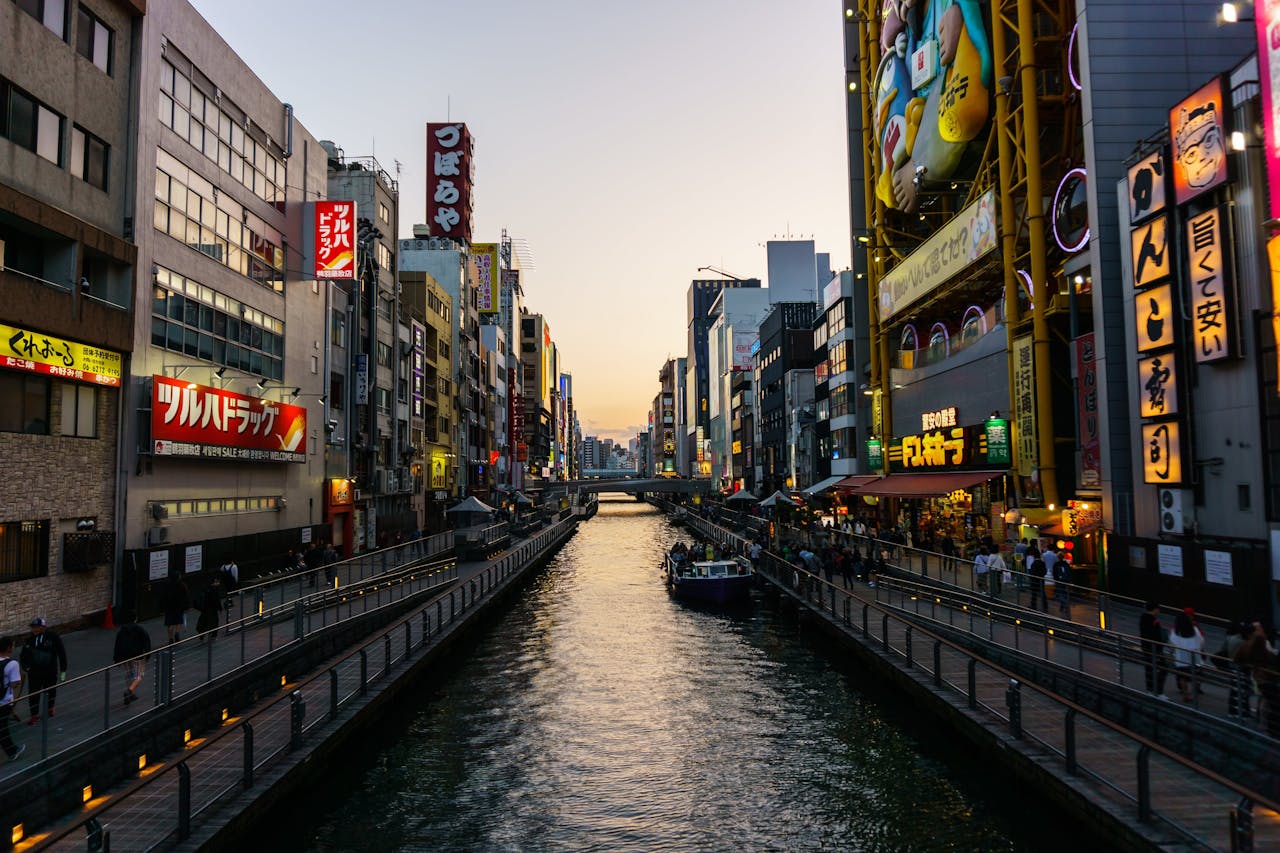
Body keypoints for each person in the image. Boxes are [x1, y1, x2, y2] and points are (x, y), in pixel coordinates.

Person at [1234, 622, 1280, 736]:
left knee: (1267, 701)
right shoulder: (1266, 652)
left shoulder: (1246, 647)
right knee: (1271, 703)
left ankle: (1265, 725)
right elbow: (1275, 664)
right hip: (1268, 680)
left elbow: (1237, 659)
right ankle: (1268, 727)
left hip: (1258, 679)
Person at [20, 617, 67, 723]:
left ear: (44, 627)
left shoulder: (53, 637)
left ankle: (50, 708)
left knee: (51, 690)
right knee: (33, 694)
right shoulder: (29, 640)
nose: (34, 630)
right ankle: (34, 715)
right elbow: (23, 656)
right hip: (34, 672)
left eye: (37, 627)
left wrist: (63, 670)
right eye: (33, 627)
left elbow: (61, 653)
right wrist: (26, 667)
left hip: (50, 671)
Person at [112, 618, 152, 706]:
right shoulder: (140, 629)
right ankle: (129, 691)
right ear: (135, 619)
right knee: (139, 675)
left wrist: (117, 659)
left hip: (125, 656)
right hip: (137, 655)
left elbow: (117, 645)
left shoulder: (121, 631)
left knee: (129, 673)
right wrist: (148, 654)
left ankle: (130, 693)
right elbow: (146, 641)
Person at [1168, 610, 1205, 702]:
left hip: (1181, 658)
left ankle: (1186, 694)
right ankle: (1195, 693)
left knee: (1182, 677)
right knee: (1195, 675)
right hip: (1194, 658)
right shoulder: (1194, 629)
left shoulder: (1176, 631)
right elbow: (1201, 642)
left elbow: (1172, 643)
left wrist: (1172, 652)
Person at [0, 636, 24, 761]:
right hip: (4, 701)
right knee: (2, 728)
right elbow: (16, 683)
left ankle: (12, 751)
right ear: (9, 648)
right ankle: (12, 752)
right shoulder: (12, 664)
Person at [1139, 600, 1169, 697]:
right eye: (1158, 609)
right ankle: (1158, 691)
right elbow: (1155, 635)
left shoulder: (1143, 618)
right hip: (1155, 649)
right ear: (1155, 609)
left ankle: (1150, 690)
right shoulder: (1153, 620)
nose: (1159, 611)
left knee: (1149, 669)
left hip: (1146, 647)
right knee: (1163, 668)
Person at [162, 574, 191, 644]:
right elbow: (186, 596)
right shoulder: (182, 585)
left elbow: (163, 596)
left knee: (170, 623)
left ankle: (170, 638)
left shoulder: (167, 585)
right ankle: (177, 633)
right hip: (179, 606)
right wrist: (187, 606)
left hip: (169, 607)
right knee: (178, 620)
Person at [196, 575, 224, 641]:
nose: (219, 584)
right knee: (213, 622)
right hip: (212, 610)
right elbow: (216, 600)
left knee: (203, 622)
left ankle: (202, 634)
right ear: (215, 582)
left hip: (205, 609)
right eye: (218, 582)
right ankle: (213, 635)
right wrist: (219, 608)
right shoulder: (214, 590)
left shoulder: (206, 588)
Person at [1026, 547, 1048, 612]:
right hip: (1041, 580)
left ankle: (1033, 605)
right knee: (1043, 593)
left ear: (1033, 556)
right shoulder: (1042, 563)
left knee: (1034, 594)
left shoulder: (1034, 564)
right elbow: (1045, 571)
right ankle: (1045, 606)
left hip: (1034, 581)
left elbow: (1032, 573)